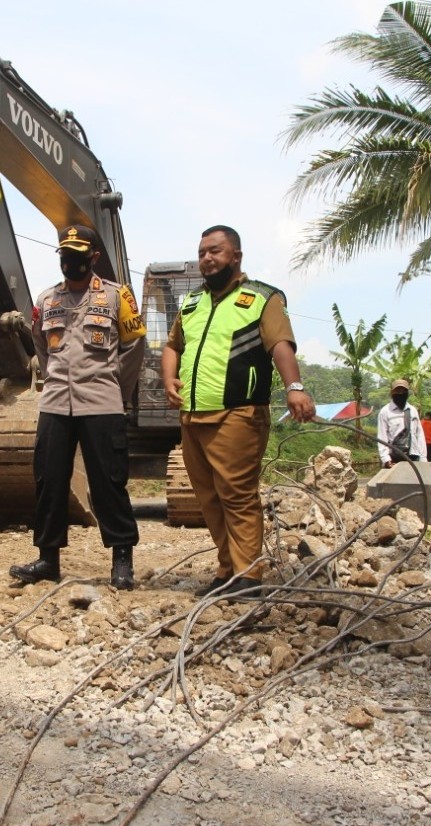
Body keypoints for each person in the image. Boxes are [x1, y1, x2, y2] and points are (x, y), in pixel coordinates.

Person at [161, 225, 315, 599]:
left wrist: (294, 387)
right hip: (194, 416)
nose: (207, 259)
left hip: (238, 414)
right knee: (208, 497)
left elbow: (280, 344)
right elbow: (172, 346)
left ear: (236, 257)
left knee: (237, 494)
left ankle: (248, 577)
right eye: (202, 253)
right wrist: (168, 380)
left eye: (215, 251)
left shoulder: (261, 298)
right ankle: (227, 570)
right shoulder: (193, 303)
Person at [9, 224, 146, 591]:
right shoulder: (45, 300)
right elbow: (40, 345)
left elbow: (135, 348)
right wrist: (54, 376)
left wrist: (118, 391)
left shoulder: (118, 297)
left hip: (102, 402)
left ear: (93, 258)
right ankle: (47, 558)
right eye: (65, 256)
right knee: (49, 480)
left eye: (78, 256)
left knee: (109, 483)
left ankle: (121, 559)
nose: (70, 262)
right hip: (55, 403)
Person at [376, 379, 426, 468]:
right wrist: (386, 459)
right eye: (397, 391)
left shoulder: (412, 410)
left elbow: (419, 435)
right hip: (394, 459)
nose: (400, 393)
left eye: (403, 391)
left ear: (407, 392)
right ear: (392, 393)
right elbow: (382, 437)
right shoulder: (385, 412)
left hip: (414, 457)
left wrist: (423, 458)